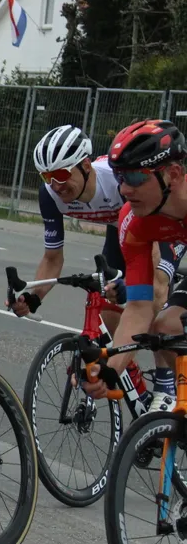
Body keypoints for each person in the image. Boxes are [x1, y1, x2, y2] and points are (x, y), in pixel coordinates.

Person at [9, 124, 178, 327]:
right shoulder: (50, 195)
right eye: (47, 176)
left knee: (154, 297)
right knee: (109, 312)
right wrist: (34, 298)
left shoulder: (118, 181)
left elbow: (150, 244)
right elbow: (52, 258)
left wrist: (134, 286)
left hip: (163, 224)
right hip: (122, 229)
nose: (56, 186)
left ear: (86, 165)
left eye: (62, 175)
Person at [84, 120, 187, 407]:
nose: (125, 189)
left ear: (173, 174)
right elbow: (140, 307)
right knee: (167, 325)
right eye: (120, 176)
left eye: (135, 177)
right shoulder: (134, 222)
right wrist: (110, 371)